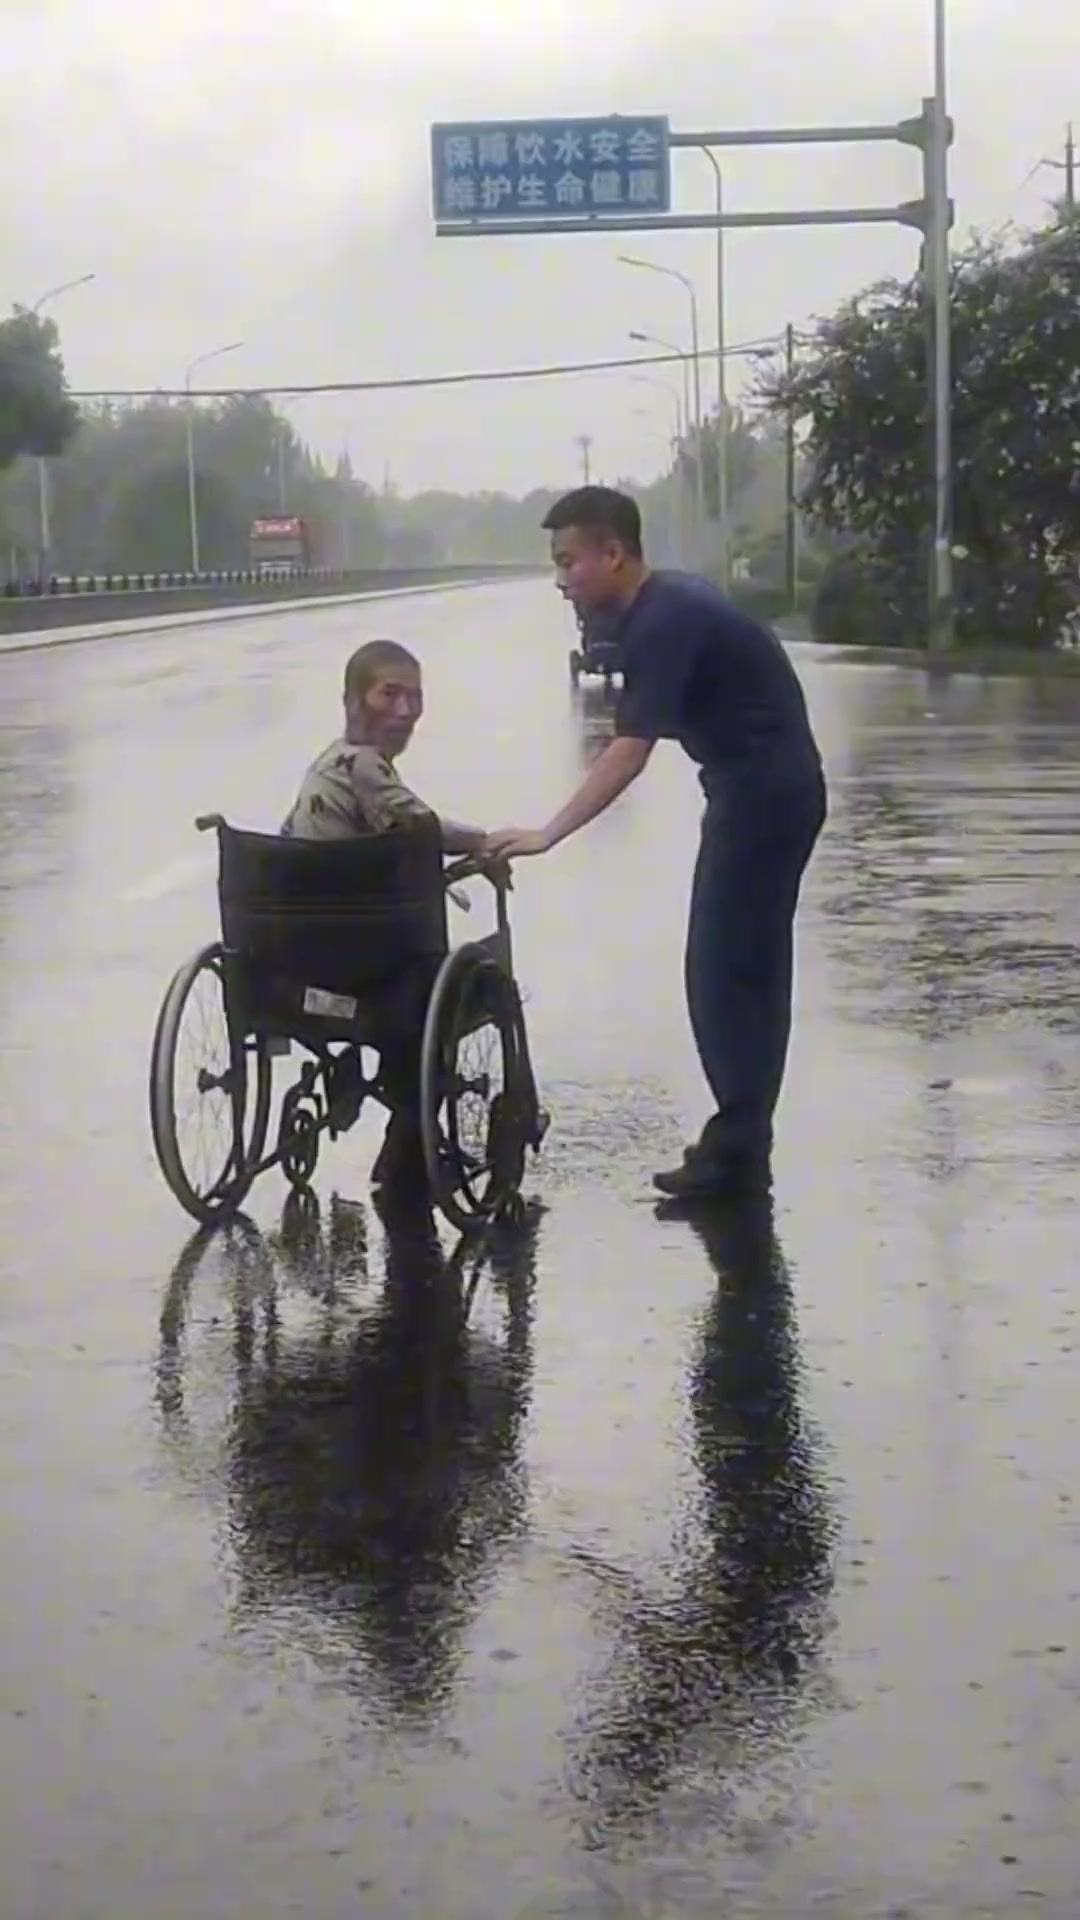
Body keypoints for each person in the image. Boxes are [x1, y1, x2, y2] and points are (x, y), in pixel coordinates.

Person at [485, 486, 826, 1200]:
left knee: (722, 973)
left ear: (613, 554)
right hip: (765, 789)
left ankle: (736, 1149)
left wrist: (548, 833)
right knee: (747, 972)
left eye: (568, 561)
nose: (560, 581)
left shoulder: (663, 620)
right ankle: (742, 1145)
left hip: (761, 795)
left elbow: (628, 750)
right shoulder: (668, 604)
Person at [283, 638, 486, 1192]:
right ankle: (412, 1128)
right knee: (449, 984)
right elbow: (423, 829)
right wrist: (488, 844)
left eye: (414, 699)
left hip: (294, 963)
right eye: (389, 695)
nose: (404, 712)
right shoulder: (365, 766)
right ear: (352, 701)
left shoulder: (325, 765)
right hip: (360, 966)